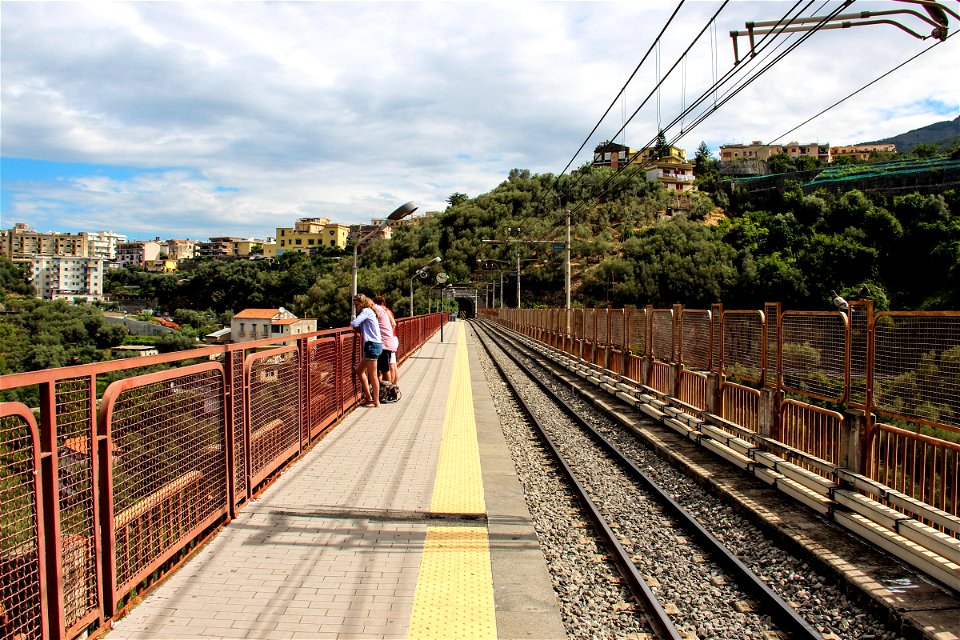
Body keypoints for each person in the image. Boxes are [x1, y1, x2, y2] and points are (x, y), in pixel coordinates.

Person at [350, 294, 383, 406]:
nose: (355, 307)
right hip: (375, 345)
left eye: (356, 305)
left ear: (361, 303)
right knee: (359, 371)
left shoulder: (366, 312)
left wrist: (354, 322)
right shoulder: (370, 312)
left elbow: (354, 323)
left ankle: (376, 401)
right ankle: (369, 398)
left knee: (373, 375)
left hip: (371, 345)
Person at [374, 295, 399, 387]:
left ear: (381, 304)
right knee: (392, 365)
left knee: (390, 366)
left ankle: (390, 388)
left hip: (388, 340)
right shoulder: (387, 311)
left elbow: (393, 323)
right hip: (391, 339)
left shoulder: (385, 311)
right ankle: (394, 386)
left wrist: (387, 333)